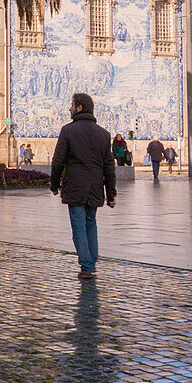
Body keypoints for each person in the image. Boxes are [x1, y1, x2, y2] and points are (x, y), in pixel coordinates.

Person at [50, 93, 116, 280]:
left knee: (79, 227)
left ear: (79, 108)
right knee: (91, 224)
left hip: (75, 187)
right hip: (95, 187)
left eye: (72, 105)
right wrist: (111, 192)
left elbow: (58, 161)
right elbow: (109, 166)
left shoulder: (68, 131)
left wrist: (54, 185)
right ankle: (92, 262)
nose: (69, 109)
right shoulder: (104, 134)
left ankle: (86, 266)